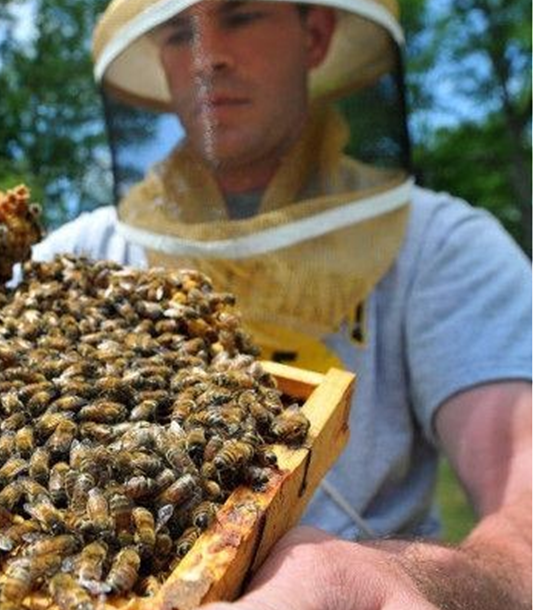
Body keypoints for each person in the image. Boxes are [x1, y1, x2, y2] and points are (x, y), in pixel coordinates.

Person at [33, 0, 533, 607]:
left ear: (314, 34)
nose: (206, 57)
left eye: (241, 16)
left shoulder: (442, 246)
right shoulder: (77, 258)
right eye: (177, 32)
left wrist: (414, 582)